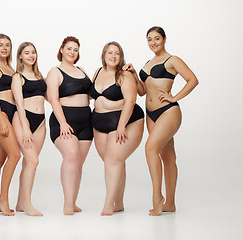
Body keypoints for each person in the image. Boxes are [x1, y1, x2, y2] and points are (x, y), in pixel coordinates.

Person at [124, 26, 199, 216]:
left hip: (168, 111)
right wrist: (134, 73)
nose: (153, 43)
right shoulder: (148, 62)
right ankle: (170, 203)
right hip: (151, 114)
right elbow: (142, 91)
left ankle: (157, 197)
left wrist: (175, 97)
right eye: (149, 39)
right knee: (168, 156)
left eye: (157, 38)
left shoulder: (172, 60)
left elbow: (192, 80)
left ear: (164, 39)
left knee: (150, 148)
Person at [90, 41, 144, 216]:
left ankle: (108, 203)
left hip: (124, 121)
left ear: (121, 57)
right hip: (99, 123)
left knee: (113, 160)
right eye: (110, 53)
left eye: (117, 53)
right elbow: (90, 95)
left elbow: (131, 100)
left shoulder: (125, 75)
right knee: (112, 161)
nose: (113, 56)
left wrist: (121, 126)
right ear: (104, 55)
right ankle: (119, 203)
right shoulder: (98, 72)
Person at [45, 36, 93, 215]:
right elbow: (53, 99)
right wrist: (63, 122)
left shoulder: (81, 70)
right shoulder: (55, 72)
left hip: (85, 120)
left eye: (76, 49)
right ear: (61, 50)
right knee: (71, 156)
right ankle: (67, 204)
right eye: (69, 48)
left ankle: (73, 202)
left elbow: (91, 93)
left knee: (78, 163)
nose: (72, 52)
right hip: (64, 120)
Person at [0, 34, 21, 216]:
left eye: (8, 45)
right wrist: (1, 121)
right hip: (0, 115)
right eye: (1, 45)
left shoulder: (10, 68)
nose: (5, 48)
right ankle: (3, 199)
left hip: (10, 115)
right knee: (15, 155)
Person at [11, 42, 46, 216]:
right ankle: (28, 205)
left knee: (28, 163)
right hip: (23, 120)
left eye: (33, 52)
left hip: (40, 123)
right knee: (33, 161)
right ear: (20, 56)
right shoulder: (17, 77)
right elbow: (19, 103)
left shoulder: (40, 76)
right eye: (27, 53)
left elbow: (50, 97)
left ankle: (20, 203)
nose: (31, 55)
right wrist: (25, 128)